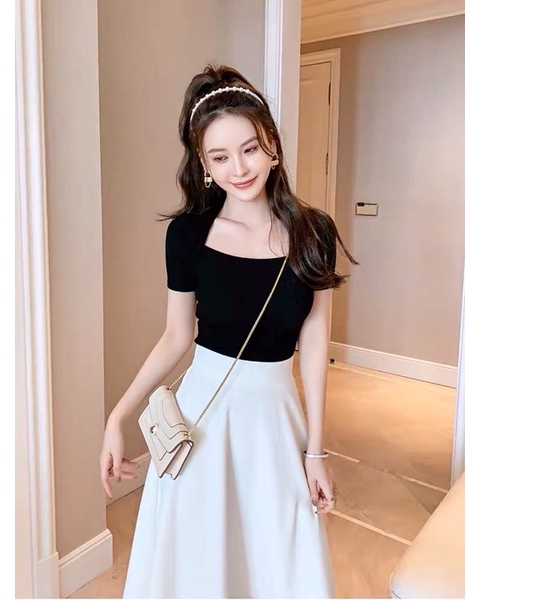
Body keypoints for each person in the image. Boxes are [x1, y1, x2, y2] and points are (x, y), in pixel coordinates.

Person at [99, 64, 359, 599]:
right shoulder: (187, 235)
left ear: (272, 147)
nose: (238, 168)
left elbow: (314, 345)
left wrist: (316, 450)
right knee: (197, 562)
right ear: (204, 164)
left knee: (276, 559)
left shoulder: (314, 232)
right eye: (219, 157)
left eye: (249, 149)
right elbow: (176, 337)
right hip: (203, 419)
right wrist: (117, 415)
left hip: (275, 417)